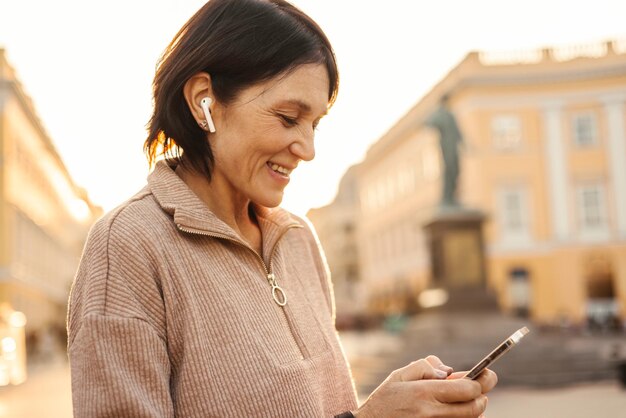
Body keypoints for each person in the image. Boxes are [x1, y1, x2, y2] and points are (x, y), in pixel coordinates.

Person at [66, 1, 497, 417]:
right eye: (289, 117)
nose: (307, 150)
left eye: (315, 124)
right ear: (204, 100)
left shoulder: (299, 239)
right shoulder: (127, 247)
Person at [426, 94, 464, 207]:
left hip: (453, 145)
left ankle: (453, 197)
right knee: (449, 170)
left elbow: (457, 131)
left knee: (455, 170)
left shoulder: (450, 116)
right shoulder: (439, 114)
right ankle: (447, 198)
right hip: (446, 146)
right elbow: (429, 122)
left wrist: (464, 143)